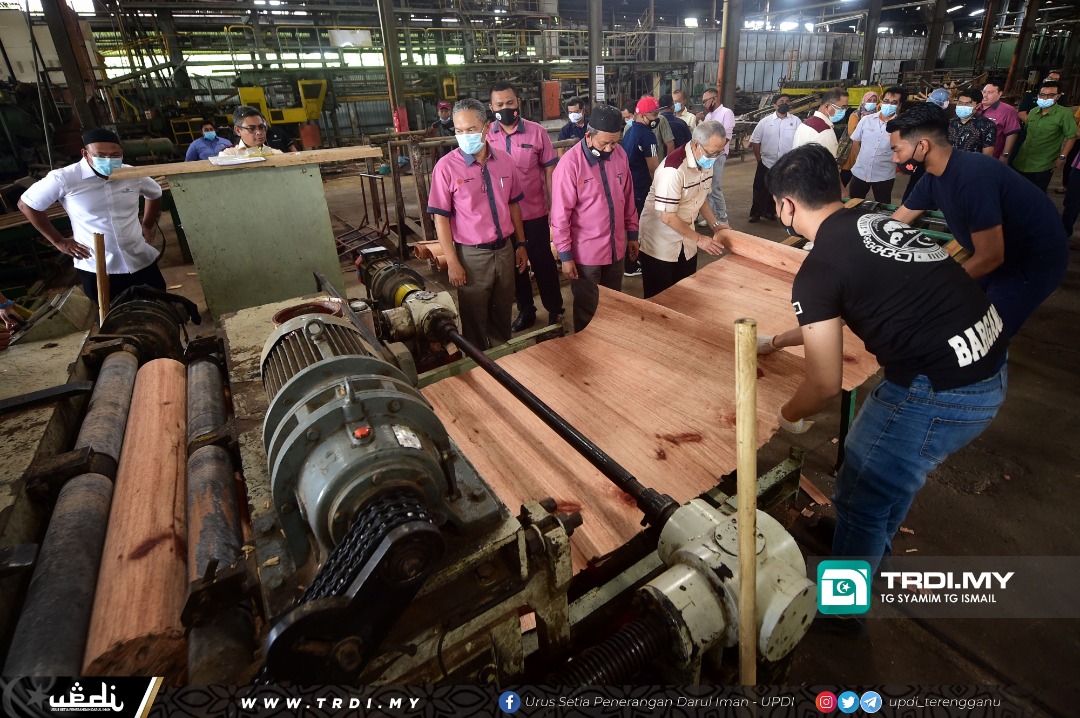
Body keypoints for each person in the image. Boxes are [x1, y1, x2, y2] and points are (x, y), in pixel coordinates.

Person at [760, 143, 1008, 580]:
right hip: (989, 363)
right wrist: (778, 342)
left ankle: (842, 605)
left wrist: (787, 415)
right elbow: (842, 314)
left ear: (786, 205)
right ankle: (869, 549)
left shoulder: (819, 269)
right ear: (837, 187)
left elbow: (824, 384)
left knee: (861, 492)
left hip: (938, 391)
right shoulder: (877, 222)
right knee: (885, 484)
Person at [890, 103, 1068, 338]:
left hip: (1030, 262)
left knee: (985, 336)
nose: (894, 158)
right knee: (961, 309)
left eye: (897, 150)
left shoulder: (973, 177)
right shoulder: (933, 178)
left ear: (922, 146)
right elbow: (896, 222)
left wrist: (934, 291)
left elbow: (990, 257)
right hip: (995, 255)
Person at [17, 128, 165, 306]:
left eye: (115, 155)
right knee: (112, 314)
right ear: (85, 154)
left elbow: (155, 193)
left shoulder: (131, 174)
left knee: (160, 306)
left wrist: (147, 225)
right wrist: (58, 241)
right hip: (97, 266)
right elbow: (26, 204)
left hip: (139, 258)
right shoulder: (64, 178)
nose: (108, 160)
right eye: (101, 155)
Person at [426, 98, 528, 350]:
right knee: (473, 317)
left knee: (503, 310)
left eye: (471, 130)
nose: (464, 136)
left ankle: (502, 357)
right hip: (472, 256)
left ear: (486, 128)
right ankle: (478, 363)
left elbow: (513, 205)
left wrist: (521, 244)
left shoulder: (505, 161)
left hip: (504, 251)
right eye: (459, 131)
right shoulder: (446, 168)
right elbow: (441, 218)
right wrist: (452, 262)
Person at [550, 105, 639, 332]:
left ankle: (609, 343)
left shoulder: (619, 155)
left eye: (614, 142)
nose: (609, 149)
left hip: (616, 248)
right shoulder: (570, 165)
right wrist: (565, 256)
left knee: (613, 304)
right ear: (588, 136)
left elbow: (628, 198)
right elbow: (560, 216)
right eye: (604, 143)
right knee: (588, 309)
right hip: (586, 255)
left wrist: (632, 234)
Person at [487, 82, 564, 330]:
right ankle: (526, 310)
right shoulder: (486, 135)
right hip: (504, 218)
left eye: (509, 102)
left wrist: (553, 205)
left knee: (543, 264)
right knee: (515, 268)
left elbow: (550, 170)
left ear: (518, 103)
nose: (505, 108)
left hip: (534, 213)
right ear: (491, 107)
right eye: (499, 104)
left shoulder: (536, 132)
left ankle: (555, 309)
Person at [638, 121, 729, 298]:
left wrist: (716, 225)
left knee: (685, 294)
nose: (715, 157)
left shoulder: (706, 162)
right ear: (695, 145)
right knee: (660, 298)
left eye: (719, 152)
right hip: (661, 243)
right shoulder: (673, 169)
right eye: (712, 153)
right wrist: (700, 239)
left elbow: (701, 198)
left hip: (687, 239)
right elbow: (668, 217)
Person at [1011, 79, 1078, 193]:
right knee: (1017, 192)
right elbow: (1027, 133)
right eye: (1042, 95)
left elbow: (1071, 136)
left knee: (1036, 194)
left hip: (1043, 164)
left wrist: (1062, 157)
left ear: (1057, 96)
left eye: (1050, 95)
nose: (1045, 98)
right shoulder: (1033, 112)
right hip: (1021, 160)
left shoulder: (1064, 114)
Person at [621, 97, 662, 277]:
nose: (656, 119)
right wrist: (661, 190)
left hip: (629, 186)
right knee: (643, 227)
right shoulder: (647, 136)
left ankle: (631, 262)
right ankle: (632, 265)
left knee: (632, 225)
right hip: (642, 187)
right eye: (653, 115)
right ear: (642, 115)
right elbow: (653, 167)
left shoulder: (630, 131)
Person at [749, 94, 801, 222]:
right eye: (781, 101)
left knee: (778, 189)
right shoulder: (765, 122)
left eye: (787, 101)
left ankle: (770, 212)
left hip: (786, 164)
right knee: (760, 188)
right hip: (766, 162)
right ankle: (756, 213)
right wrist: (759, 160)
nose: (784, 103)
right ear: (774, 105)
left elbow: (800, 141)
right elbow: (755, 141)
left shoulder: (796, 122)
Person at [848, 87, 904, 203]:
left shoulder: (900, 126)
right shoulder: (866, 120)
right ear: (881, 102)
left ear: (899, 106)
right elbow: (855, 141)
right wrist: (861, 159)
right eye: (886, 101)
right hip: (860, 172)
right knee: (853, 203)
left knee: (883, 205)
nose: (889, 105)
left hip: (884, 175)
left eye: (894, 103)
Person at [700, 88, 736, 228]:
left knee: (715, 188)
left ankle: (722, 218)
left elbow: (726, 136)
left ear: (714, 99)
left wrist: (714, 151)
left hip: (718, 156)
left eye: (705, 101)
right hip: (707, 156)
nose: (704, 104)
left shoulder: (726, 113)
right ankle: (712, 217)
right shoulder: (709, 116)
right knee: (707, 187)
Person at [791, 87, 849, 158]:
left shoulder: (804, 124)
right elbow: (829, 162)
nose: (844, 111)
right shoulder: (825, 131)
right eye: (842, 107)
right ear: (827, 106)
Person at [838, 90, 879, 189]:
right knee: (846, 175)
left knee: (860, 178)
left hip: (868, 151)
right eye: (869, 100)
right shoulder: (856, 114)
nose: (872, 103)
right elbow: (852, 133)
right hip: (853, 149)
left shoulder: (877, 115)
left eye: (874, 100)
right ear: (864, 101)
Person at [977, 80, 1021, 161]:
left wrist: (1005, 156)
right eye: (983, 92)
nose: (985, 95)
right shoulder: (976, 107)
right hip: (972, 155)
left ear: (1000, 94)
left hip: (993, 157)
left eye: (989, 92)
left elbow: (1011, 134)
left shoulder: (1008, 110)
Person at [948, 87, 996, 155]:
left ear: (978, 105)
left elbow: (987, 156)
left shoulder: (987, 126)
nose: (963, 106)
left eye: (968, 104)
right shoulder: (951, 122)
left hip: (972, 161)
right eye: (960, 103)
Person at [219, 106, 285, 156]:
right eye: (251, 128)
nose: (259, 132)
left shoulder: (276, 154)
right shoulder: (228, 155)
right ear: (238, 131)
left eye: (261, 127)